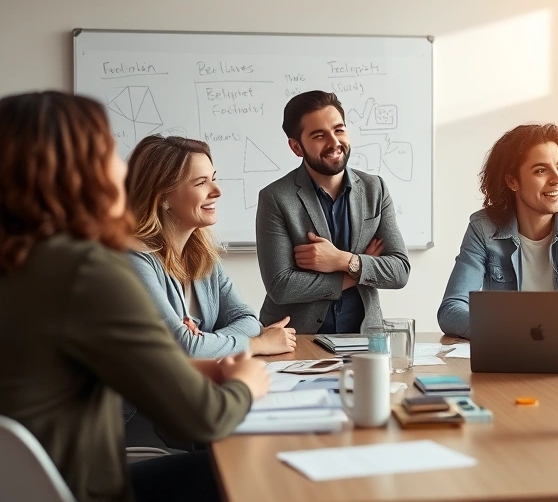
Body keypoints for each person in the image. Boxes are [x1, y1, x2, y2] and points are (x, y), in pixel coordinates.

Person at [0, 91, 269, 502]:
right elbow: (205, 418)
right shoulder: (85, 268)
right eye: (109, 151)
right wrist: (247, 383)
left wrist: (205, 370)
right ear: (80, 171)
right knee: (242, 468)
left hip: (26, 489)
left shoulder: (23, 261)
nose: (121, 170)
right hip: (84, 490)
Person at [438, 123, 558, 338]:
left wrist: (543, 328)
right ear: (512, 181)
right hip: (508, 359)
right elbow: (451, 310)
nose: (557, 179)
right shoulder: (483, 228)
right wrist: (512, 331)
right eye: (541, 170)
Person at [126, 135, 296, 358]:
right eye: (200, 182)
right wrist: (257, 344)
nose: (217, 191)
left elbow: (248, 321)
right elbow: (181, 349)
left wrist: (205, 344)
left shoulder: (201, 254)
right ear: (163, 197)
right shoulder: (134, 259)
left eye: (213, 178)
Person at [256, 90, 410, 334]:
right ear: (297, 147)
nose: (334, 142)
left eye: (339, 130)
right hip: (296, 338)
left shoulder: (375, 189)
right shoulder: (275, 198)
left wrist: (341, 260)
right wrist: (356, 272)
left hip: (364, 338)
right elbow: (282, 286)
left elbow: (399, 271)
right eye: (319, 135)